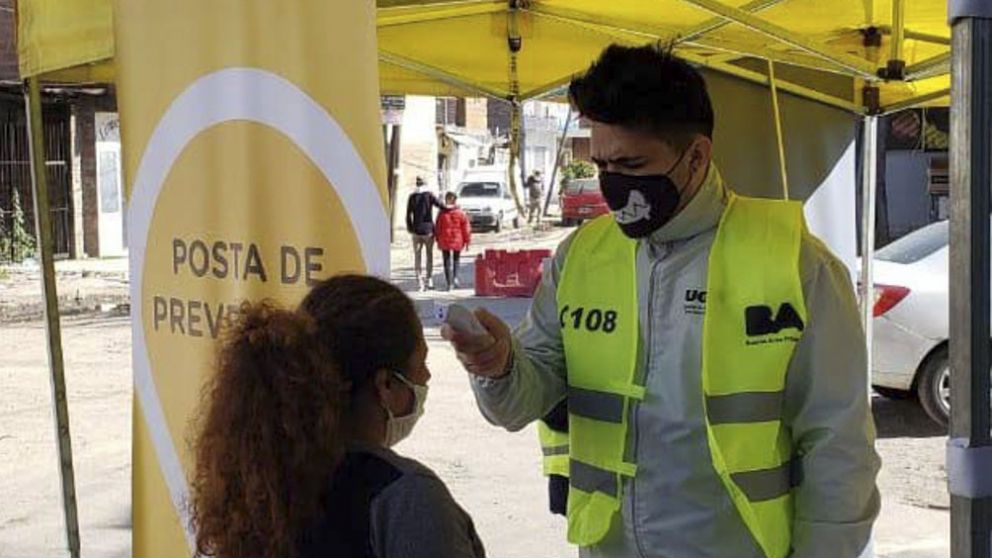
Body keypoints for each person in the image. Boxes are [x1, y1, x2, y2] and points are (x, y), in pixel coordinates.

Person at [443, 44, 880, 558]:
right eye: (602, 162)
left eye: (631, 163)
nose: (612, 183)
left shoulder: (796, 265)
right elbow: (523, 402)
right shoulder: (582, 256)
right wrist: (498, 368)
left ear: (697, 155)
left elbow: (839, 447)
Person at [191, 275, 486, 558]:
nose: (427, 375)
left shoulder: (258, 484)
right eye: (421, 362)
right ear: (385, 385)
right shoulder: (408, 500)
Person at [406, 176, 445, 290]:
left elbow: (408, 214)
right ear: (425, 184)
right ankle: (429, 279)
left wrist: (410, 228)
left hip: (416, 230)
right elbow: (441, 206)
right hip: (428, 230)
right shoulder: (429, 195)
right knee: (429, 255)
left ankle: (419, 282)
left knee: (417, 256)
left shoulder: (412, 197)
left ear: (417, 184)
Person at [435, 191, 472, 291]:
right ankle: (455, 277)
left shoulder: (441, 213)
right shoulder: (460, 213)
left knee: (446, 261)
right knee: (456, 259)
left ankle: (449, 283)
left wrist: (437, 238)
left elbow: (438, 227)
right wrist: (467, 240)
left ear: (446, 200)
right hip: (457, 239)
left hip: (444, 239)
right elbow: (466, 228)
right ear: (455, 200)